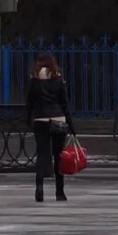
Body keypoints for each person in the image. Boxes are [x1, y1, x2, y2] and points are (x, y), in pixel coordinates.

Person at [25, 54, 73, 202]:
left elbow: (30, 102)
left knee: (42, 154)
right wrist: (71, 125)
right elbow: (64, 103)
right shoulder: (59, 79)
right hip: (58, 120)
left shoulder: (34, 80)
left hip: (41, 120)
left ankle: (39, 187)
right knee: (59, 156)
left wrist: (28, 120)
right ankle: (60, 192)